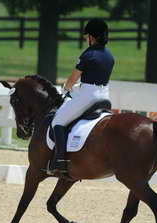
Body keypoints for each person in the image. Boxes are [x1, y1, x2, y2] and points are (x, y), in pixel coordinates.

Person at [49, 18, 115, 173]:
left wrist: (65, 90)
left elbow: (73, 79)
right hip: (104, 96)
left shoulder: (88, 54)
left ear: (92, 37)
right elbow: (94, 79)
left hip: (87, 97)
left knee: (58, 121)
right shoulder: (110, 56)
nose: (86, 39)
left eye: (87, 36)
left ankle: (59, 160)